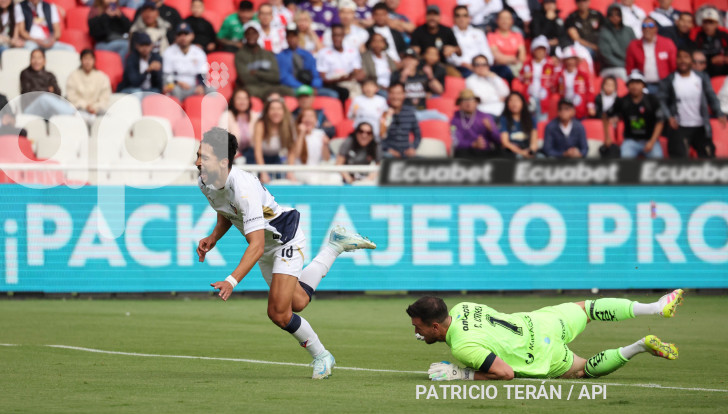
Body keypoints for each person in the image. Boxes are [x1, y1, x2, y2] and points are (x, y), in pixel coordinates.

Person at [195, 127, 376, 379]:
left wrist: (231, 280)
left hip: (283, 240)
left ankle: (322, 355)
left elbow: (256, 245)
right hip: (268, 246)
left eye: (204, 157)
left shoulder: (243, 186)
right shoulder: (205, 180)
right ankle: (335, 246)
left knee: (278, 313)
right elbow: (226, 210)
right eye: (198, 155)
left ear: (224, 162)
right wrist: (213, 237)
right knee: (298, 303)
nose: (197, 162)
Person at [407, 290, 685, 381]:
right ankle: (657, 307)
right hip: (543, 322)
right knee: (589, 308)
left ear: (435, 327)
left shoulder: (464, 348)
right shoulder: (464, 307)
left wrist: (462, 374)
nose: (416, 331)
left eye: (419, 327)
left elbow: (505, 373)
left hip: (543, 354)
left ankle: (639, 346)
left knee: (583, 370)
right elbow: (475, 329)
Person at [658, 48, 726, 158]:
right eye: (679, 57)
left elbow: (711, 96)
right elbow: (661, 100)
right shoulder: (669, 80)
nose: (682, 60)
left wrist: (719, 112)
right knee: (678, 160)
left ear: (691, 61)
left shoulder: (701, 77)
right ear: (675, 60)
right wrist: (669, 117)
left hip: (700, 125)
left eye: (686, 57)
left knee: (708, 155)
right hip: (679, 126)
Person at [604, 71, 664, 158]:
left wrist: (652, 142)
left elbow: (660, 121)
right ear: (627, 85)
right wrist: (607, 137)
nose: (635, 86)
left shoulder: (652, 100)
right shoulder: (622, 101)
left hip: (650, 140)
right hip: (630, 141)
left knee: (658, 160)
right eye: (632, 83)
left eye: (638, 83)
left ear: (643, 85)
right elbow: (605, 115)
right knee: (624, 162)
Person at [236, 22, 292, 99]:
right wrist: (266, 76)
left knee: (290, 91)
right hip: (254, 88)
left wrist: (257, 73)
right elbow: (246, 79)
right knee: (247, 92)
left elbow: (276, 76)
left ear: (258, 35)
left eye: (254, 33)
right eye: (248, 33)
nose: (251, 36)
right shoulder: (240, 55)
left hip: (272, 86)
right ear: (245, 36)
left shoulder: (268, 54)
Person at [390, 47, 445, 121]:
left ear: (417, 61)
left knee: (443, 118)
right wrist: (403, 77)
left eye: (411, 58)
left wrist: (430, 76)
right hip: (405, 112)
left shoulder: (422, 74)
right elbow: (393, 94)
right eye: (406, 58)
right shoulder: (396, 75)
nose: (408, 61)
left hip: (422, 110)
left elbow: (440, 91)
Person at [625, 17, 677, 94]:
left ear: (656, 28)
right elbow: (630, 68)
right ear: (641, 29)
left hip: (664, 84)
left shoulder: (667, 43)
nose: (647, 29)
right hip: (644, 86)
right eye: (644, 26)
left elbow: (673, 65)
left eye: (650, 25)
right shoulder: (634, 45)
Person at [20, 48, 75, 119]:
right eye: (34, 58)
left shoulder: (50, 75)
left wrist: (45, 91)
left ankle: (73, 113)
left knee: (64, 101)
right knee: (44, 98)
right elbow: (29, 92)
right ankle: (73, 113)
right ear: (30, 60)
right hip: (30, 108)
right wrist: (47, 89)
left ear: (44, 61)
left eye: (39, 58)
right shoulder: (25, 73)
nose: (36, 61)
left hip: (47, 109)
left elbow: (58, 93)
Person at [316, 23, 362, 103]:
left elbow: (357, 72)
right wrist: (339, 79)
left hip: (350, 82)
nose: (337, 38)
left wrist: (349, 77)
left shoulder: (353, 51)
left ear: (343, 36)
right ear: (331, 37)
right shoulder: (323, 53)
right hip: (333, 84)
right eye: (335, 35)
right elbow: (323, 79)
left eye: (339, 35)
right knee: (344, 92)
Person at [252, 96, 296, 181]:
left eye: (279, 109)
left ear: (284, 111)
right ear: (267, 112)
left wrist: (290, 171)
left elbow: (291, 151)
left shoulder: (288, 124)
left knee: (281, 180)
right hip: (257, 158)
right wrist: (263, 172)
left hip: (275, 158)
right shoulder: (261, 124)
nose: (276, 112)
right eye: (272, 109)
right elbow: (258, 151)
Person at [277, 24, 328, 95]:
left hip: (310, 86)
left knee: (332, 94)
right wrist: (301, 87)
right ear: (286, 38)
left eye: (294, 36)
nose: (292, 39)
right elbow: (285, 77)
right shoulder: (281, 56)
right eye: (289, 36)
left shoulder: (307, 54)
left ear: (298, 37)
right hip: (293, 87)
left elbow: (315, 74)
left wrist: (314, 85)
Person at [65, 49, 112, 126]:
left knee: (109, 120)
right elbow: (71, 96)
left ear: (94, 60)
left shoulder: (102, 77)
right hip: (79, 110)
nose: (88, 62)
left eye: (90, 59)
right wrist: (85, 106)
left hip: (97, 111)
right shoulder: (73, 76)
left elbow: (105, 98)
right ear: (81, 60)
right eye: (85, 58)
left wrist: (94, 108)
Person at [162, 22, 207, 100]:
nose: (183, 37)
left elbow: (202, 74)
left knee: (212, 89)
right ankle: (176, 111)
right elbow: (166, 75)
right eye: (180, 34)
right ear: (176, 37)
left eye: (186, 34)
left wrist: (200, 85)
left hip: (194, 86)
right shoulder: (169, 52)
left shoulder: (199, 52)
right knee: (172, 89)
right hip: (176, 85)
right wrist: (177, 82)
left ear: (192, 35)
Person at [288, 108, 334, 184]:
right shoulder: (295, 134)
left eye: (311, 116)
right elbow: (296, 154)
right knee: (313, 180)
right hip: (300, 171)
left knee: (335, 178)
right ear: (300, 120)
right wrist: (301, 134)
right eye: (305, 116)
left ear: (316, 121)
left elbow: (326, 158)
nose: (308, 119)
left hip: (317, 170)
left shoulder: (320, 133)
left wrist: (325, 145)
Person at [451, 88, 500, 158]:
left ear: (476, 102)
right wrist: (473, 144)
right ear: (460, 104)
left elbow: (498, 140)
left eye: (471, 100)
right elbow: (456, 141)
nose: (468, 103)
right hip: (466, 152)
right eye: (465, 100)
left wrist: (492, 130)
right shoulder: (455, 119)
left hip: (485, 152)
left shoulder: (485, 116)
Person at [448, 4, 493, 77]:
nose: (461, 19)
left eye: (464, 16)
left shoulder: (478, 33)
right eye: (458, 16)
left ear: (469, 18)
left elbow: (487, 53)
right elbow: (450, 57)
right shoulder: (449, 33)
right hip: (463, 67)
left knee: (504, 70)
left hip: (482, 65)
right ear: (454, 18)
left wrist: (482, 65)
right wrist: (464, 64)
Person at [218, 87, 260, 161]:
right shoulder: (226, 116)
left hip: (250, 155)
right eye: (239, 98)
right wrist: (237, 155)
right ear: (233, 101)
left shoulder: (254, 116)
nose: (242, 101)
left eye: (245, 99)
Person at [518, 36, 554, 121]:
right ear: (533, 50)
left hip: (544, 98)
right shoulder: (527, 64)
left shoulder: (550, 64)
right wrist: (524, 77)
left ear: (546, 51)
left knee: (542, 121)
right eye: (537, 49)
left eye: (542, 49)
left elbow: (555, 80)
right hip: (530, 97)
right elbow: (520, 77)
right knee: (530, 120)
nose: (540, 52)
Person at [380, 82, 420, 158]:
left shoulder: (410, 112)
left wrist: (412, 148)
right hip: (389, 153)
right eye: (392, 93)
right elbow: (379, 137)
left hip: (406, 152)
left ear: (403, 95)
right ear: (388, 95)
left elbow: (418, 134)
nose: (395, 97)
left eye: (398, 93)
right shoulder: (384, 113)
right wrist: (388, 149)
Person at [553, 47, 593, 120]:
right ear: (565, 61)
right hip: (565, 109)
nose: (571, 62)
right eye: (568, 59)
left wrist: (590, 106)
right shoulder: (560, 74)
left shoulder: (583, 74)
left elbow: (589, 90)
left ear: (576, 61)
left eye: (573, 59)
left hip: (580, 109)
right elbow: (554, 88)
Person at [487, 10, 525, 82]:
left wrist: (513, 61)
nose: (505, 21)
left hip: (516, 66)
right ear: (497, 20)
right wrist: (512, 59)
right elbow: (497, 57)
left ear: (512, 21)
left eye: (507, 18)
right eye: (502, 18)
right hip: (500, 68)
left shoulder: (517, 35)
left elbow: (522, 56)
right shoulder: (491, 36)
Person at [598, 5, 634, 81]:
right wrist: (624, 65)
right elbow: (607, 56)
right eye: (612, 15)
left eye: (617, 14)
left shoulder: (629, 30)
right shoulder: (603, 32)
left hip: (629, 65)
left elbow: (635, 48)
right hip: (611, 67)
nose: (615, 17)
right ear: (608, 16)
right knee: (624, 74)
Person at [499, 91, 536, 158]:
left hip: (527, 149)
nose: (514, 103)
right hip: (512, 152)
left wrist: (530, 151)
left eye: (517, 100)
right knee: (518, 157)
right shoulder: (504, 119)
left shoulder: (530, 118)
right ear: (507, 104)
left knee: (540, 157)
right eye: (511, 101)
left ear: (523, 103)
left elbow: (534, 142)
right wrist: (521, 152)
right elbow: (505, 143)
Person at [693, 8, 728, 78]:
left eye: (711, 23)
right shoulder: (697, 35)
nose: (708, 26)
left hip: (721, 64)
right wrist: (710, 60)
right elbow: (693, 54)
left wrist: (725, 58)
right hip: (703, 65)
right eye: (705, 22)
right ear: (702, 24)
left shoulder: (723, 34)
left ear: (717, 24)